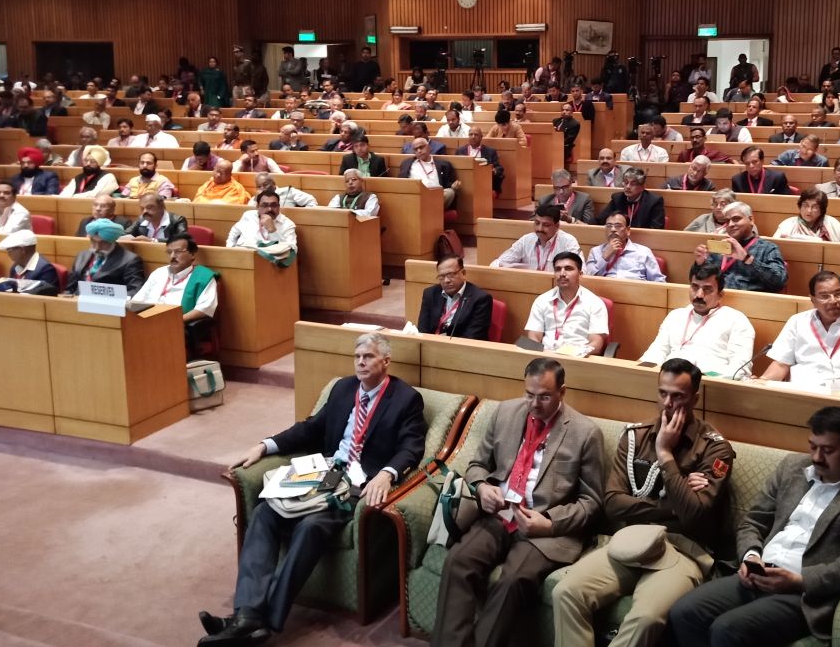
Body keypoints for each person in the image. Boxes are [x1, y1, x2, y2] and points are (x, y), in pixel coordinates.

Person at [198, 333, 426, 645]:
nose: (361, 362)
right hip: (325, 474)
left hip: (355, 486)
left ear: (386, 361)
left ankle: (264, 620)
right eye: (357, 356)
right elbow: (311, 428)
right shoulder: (343, 388)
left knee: (311, 526)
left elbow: (411, 447)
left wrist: (387, 474)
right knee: (264, 513)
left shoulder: (405, 399)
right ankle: (247, 615)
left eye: (369, 357)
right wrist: (265, 445)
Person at [668, 406, 840, 646]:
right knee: (684, 612)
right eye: (813, 446)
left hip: (803, 594)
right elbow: (754, 520)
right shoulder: (792, 468)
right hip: (757, 575)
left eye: (828, 450)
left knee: (728, 629)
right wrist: (751, 555)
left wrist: (800, 580)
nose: (817, 457)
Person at [553, 359, 735, 647]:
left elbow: (694, 516)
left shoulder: (715, 449)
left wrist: (665, 453)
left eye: (678, 396)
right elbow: (612, 502)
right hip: (632, 541)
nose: (668, 403)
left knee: (646, 618)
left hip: (683, 549)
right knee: (565, 592)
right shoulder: (635, 437)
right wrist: (674, 505)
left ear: (695, 399)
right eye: (663, 393)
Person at [430, 356, 604, 647]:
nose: (535, 404)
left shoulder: (585, 433)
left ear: (562, 392)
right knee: (458, 561)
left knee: (512, 581)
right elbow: (477, 465)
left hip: (545, 530)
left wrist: (549, 523)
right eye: (529, 394)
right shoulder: (505, 413)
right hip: (500, 515)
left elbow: (592, 502)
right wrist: (482, 487)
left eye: (544, 397)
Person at [639, 264, 755, 377]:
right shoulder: (676, 316)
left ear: (720, 295)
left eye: (707, 289)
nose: (699, 295)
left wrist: (703, 377)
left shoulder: (736, 320)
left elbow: (740, 370)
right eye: (695, 287)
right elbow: (657, 352)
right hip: (668, 380)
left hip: (710, 383)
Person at [129, 233, 218, 356]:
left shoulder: (203, 277)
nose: (172, 256)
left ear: (192, 254)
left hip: (176, 324)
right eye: (169, 252)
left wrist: (175, 320)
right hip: (148, 319)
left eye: (178, 252)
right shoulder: (159, 273)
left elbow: (204, 309)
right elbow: (138, 300)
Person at [693, 201, 788, 292]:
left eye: (736, 219)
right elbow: (699, 280)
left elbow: (779, 282)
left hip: (750, 300)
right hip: (718, 298)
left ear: (751, 220)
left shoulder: (768, 248)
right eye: (727, 221)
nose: (730, 224)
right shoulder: (720, 247)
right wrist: (699, 264)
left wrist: (747, 259)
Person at [417, 255, 493, 340]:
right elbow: (422, 330)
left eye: (450, 275)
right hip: (431, 344)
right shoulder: (430, 293)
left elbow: (473, 337)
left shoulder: (480, 299)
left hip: (461, 346)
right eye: (441, 277)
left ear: (463, 273)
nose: (446, 280)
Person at [66, 219, 146, 296]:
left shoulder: (130, 260)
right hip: (77, 301)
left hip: (107, 302)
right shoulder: (82, 255)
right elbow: (70, 288)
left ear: (111, 241)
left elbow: (134, 291)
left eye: (102, 243)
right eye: (93, 242)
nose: (97, 248)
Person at [490, 204, 581, 271]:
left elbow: (580, 270)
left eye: (546, 225)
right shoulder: (526, 240)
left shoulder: (568, 242)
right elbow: (498, 263)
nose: (540, 229)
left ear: (557, 226)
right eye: (537, 223)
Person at [584, 213, 666, 281]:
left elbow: (658, 281)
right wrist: (604, 257)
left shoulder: (643, 252)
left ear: (628, 230)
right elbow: (588, 279)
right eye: (609, 226)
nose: (613, 229)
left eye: (618, 226)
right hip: (604, 292)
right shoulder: (595, 251)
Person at [227, 189, 298, 265]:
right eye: (265, 205)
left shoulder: (288, 224)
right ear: (257, 206)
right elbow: (234, 232)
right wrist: (230, 250)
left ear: (279, 206)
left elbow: (292, 251)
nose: (270, 209)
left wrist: (272, 230)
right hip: (241, 257)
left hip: (269, 263)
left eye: (274, 205)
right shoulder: (248, 216)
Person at [399, 137, 460, 209]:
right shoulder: (406, 163)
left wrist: (453, 186)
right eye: (416, 149)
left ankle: (427, 209)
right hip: (416, 196)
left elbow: (448, 184)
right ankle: (429, 209)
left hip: (436, 196)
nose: (419, 151)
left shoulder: (444, 164)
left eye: (421, 147)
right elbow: (400, 182)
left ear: (428, 147)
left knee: (450, 193)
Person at [598, 167, 666, 230]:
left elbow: (656, 228)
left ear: (642, 187)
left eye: (633, 184)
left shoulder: (654, 201)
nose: (628, 187)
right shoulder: (617, 198)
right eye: (626, 182)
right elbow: (600, 220)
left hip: (643, 238)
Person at [773, 189, 840, 242]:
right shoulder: (787, 224)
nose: (809, 211)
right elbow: (774, 248)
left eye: (814, 207)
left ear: (822, 210)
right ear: (800, 206)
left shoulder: (833, 224)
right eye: (805, 205)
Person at [457, 128, 504, 194]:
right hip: (465, 182)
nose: (473, 137)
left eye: (476, 135)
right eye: (471, 134)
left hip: (484, 182)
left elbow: (499, 168)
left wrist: (494, 171)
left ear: (481, 137)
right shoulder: (460, 151)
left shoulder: (490, 151)